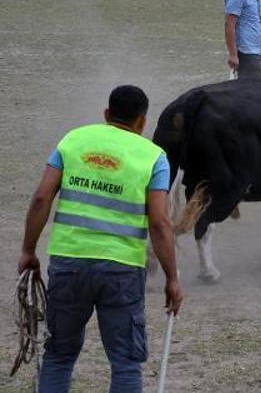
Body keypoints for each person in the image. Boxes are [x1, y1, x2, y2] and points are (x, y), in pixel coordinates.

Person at [17, 85, 184, 393]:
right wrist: (172, 278)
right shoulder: (154, 157)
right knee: (125, 362)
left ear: (107, 114)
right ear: (142, 122)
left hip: (69, 264)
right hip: (122, 270)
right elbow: (160, 223)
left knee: (59, 355)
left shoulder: (73, 140)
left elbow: (42, 197)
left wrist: (28, 250)